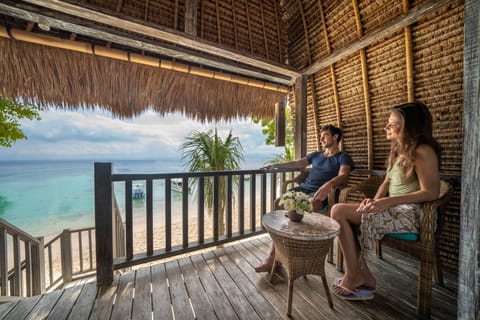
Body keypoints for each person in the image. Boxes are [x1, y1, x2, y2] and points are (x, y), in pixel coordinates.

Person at [330, 102, 441, 300]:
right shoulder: (398, 152)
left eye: (393, 124)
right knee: (339, 212)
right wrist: (374, 201)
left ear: (410, 126)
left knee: (338, 211)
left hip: (413, 213)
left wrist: (388, 202)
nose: (386, 127)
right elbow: (386, 183)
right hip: (394, 208)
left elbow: (431, 192)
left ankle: (355, 274)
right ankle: (360, 274)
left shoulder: (423, 151)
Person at [255, 124, 355, 273]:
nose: (322, 138)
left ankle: (278, 257)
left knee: (300, 211)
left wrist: (329, 184)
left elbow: (343, 175)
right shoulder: (316, 155)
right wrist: (276, 165)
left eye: (325, 135)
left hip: (320, 194)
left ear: (335, 137)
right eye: (321, 136)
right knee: (278, 203)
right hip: (303, 190)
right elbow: (297, 163)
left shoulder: (342, 157)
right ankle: (278, 255)